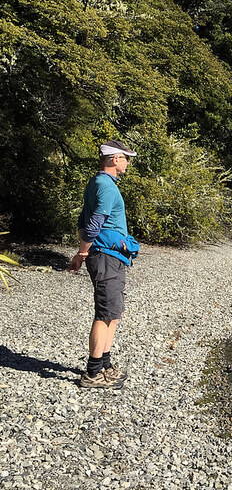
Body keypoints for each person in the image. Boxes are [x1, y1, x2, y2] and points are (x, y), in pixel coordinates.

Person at [69, 140, 138, 389]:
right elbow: (95, 221)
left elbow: (81, 220)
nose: (128, 162)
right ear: (114, 159)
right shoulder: (105, 186)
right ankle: (93, 372)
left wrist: (83, 250)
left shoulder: (98, 183)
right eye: (125, 157)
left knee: (113, 313)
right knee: (104, 313)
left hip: (110, 257)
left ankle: (106, 364)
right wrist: (83, 252)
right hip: (106, 256)